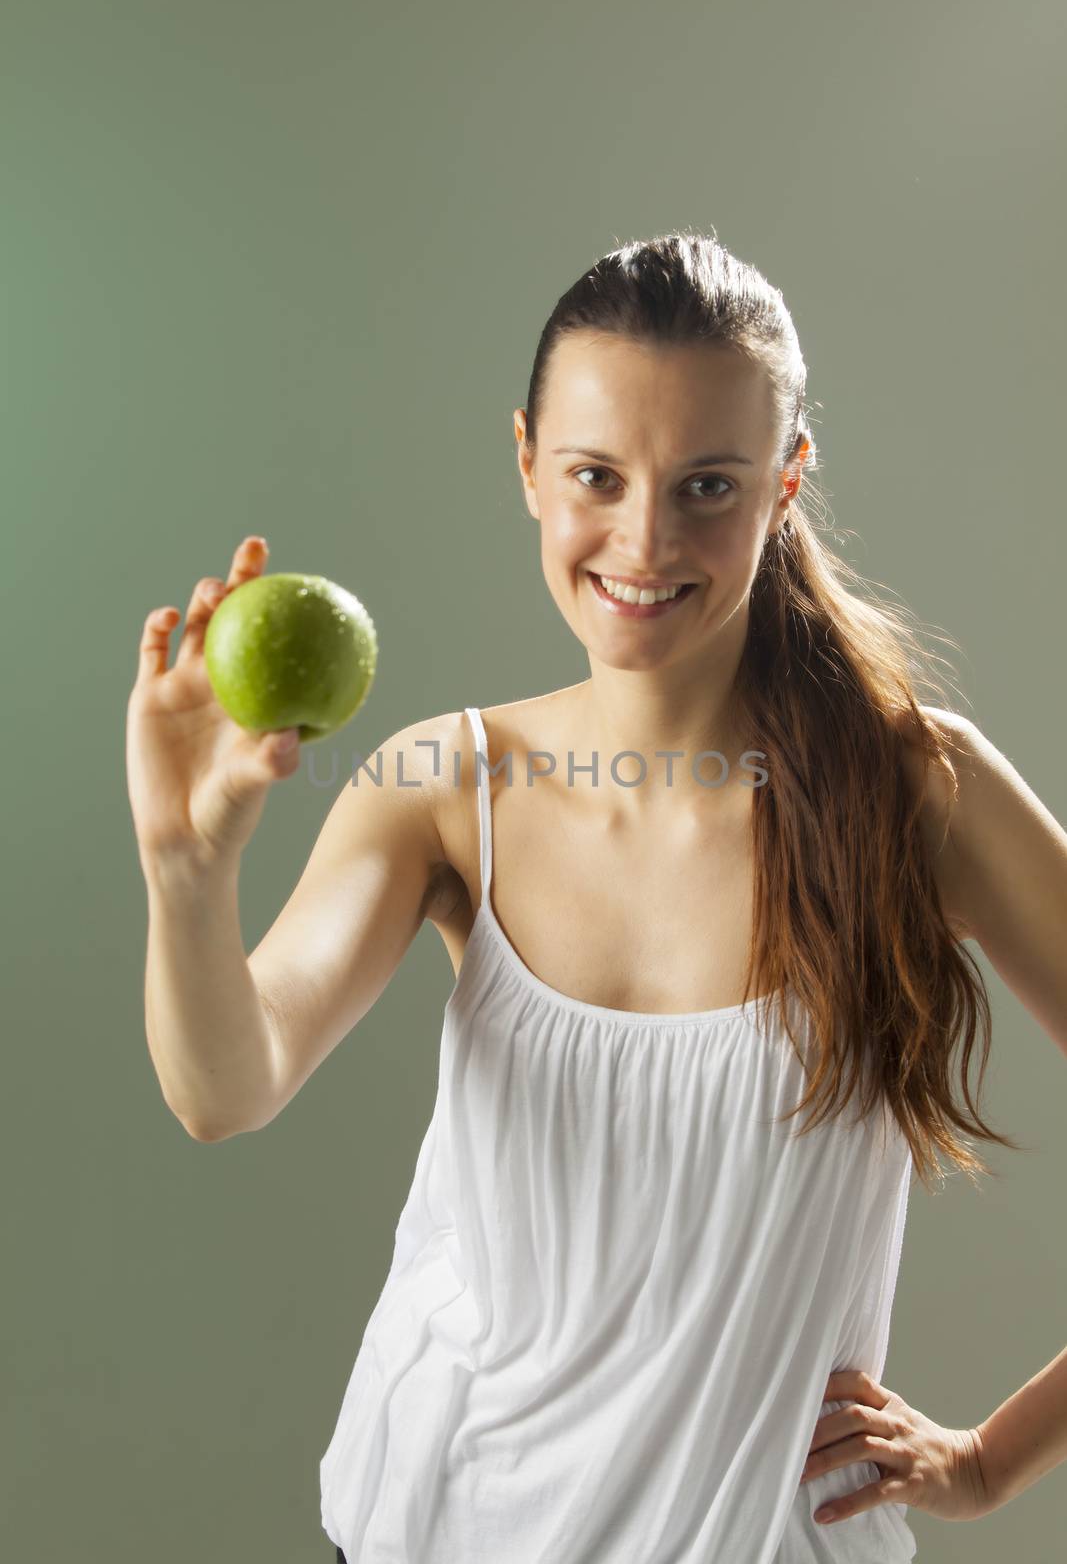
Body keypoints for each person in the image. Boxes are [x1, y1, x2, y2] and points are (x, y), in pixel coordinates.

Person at [128, 231, 1067, 1561]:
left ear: (787, 481)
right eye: (595, 477)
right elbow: (228, 1086)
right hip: (429, 1528)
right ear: (526, 463)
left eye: (706, 486)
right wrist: (187, 871)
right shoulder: (444, 786)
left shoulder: (922, 796)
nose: (643, 539)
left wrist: (986, 1464)